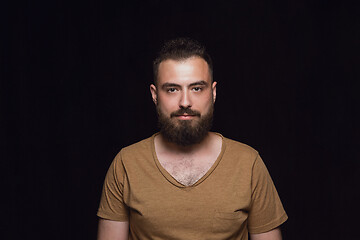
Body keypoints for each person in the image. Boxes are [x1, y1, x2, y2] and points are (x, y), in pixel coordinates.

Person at [97, 38, 288, 240]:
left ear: (213, 92)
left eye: (196, 88)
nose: (185, 102)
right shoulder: (126, 164)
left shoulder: (248, 164)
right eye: (172, 89)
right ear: (154, 95)